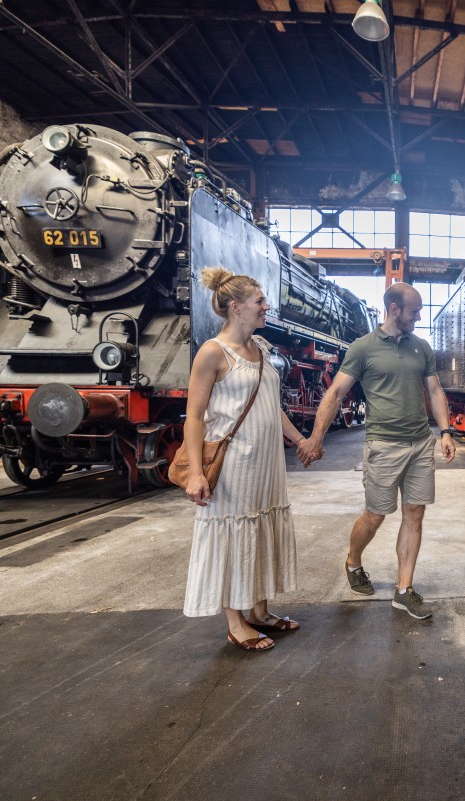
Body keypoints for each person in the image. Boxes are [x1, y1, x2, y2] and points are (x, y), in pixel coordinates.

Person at [296, 282, 457, 620]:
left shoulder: (421, 347)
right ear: (394, 309)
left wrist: (445, 432)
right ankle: (353, 561)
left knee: (415, 513)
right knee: (375, 515)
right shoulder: (363, 348)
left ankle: (404, 590)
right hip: (383, 445)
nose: (419, 317)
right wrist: (316, 437)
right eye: (414, 311)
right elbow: (335, 393)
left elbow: (435, 390)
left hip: (420, 444)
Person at [181, 266, 307, 652]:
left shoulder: (261, 348)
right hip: (234, 465)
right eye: (259, 301)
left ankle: (259, 611)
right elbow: (194, 417)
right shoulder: (212, 352)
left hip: (266, 464)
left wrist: (300, 440)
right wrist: (196, 473)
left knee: (262, 531)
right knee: (234, 536)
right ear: (236, 307)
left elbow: (272, 405)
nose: (266, 306)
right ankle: (235, 623)